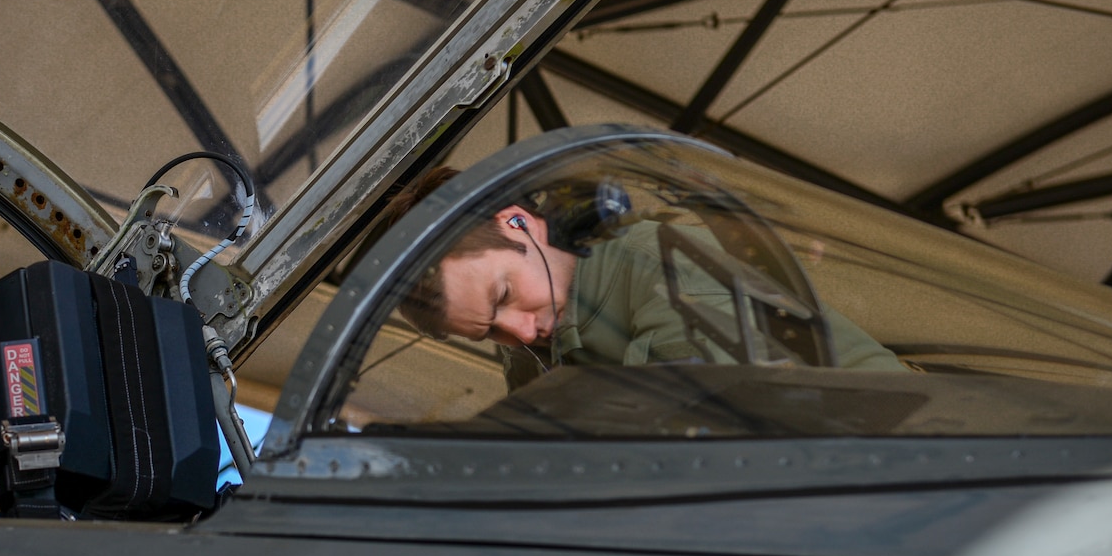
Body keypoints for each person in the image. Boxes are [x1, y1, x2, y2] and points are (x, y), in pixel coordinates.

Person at [380, 167, 903, 377]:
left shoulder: (661, 266)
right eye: (488, 330)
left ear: (517, 223)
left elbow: (748, 443)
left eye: (503, 297)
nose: (518, 331)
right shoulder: (532, 355)